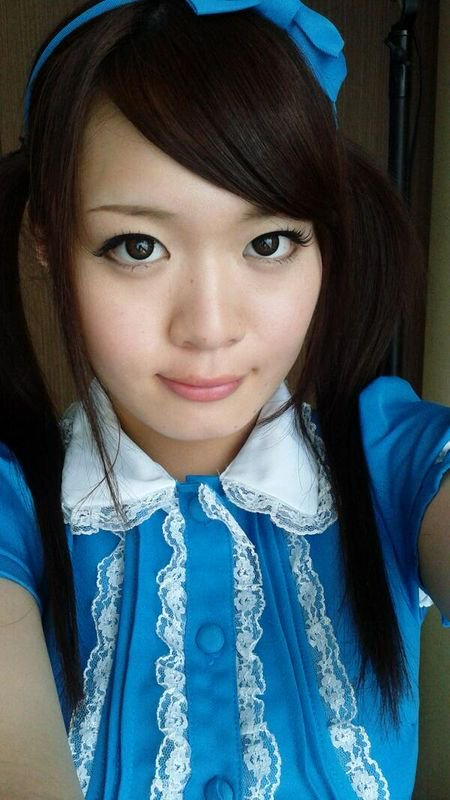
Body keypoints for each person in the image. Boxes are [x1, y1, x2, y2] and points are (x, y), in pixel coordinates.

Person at [0, 0, 448, 798]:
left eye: (268, 242)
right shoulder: (14, 510)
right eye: (138, 247)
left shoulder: (393, 461)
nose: (209, 328)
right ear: (45, 238)